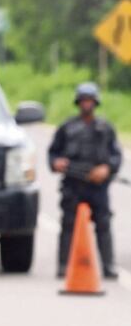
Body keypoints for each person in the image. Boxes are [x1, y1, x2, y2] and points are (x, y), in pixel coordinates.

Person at [48, 82, 122, 279]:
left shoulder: (105, 128)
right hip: (73, 185)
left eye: (90, 100)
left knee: (103, 225)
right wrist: (57, 162)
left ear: (95, 102)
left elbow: (116, 155)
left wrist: (106, 168)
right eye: (84, 100)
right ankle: (64, 265)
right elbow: (53, 153)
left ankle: (108, 266)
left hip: (98, 186)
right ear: (78, 102)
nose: (87, 104)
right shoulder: (67, 127)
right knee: (68, 225)